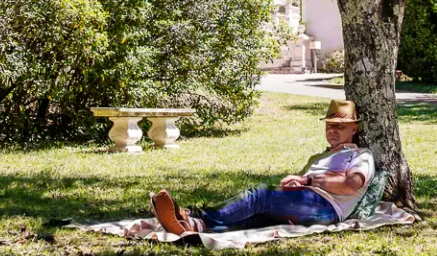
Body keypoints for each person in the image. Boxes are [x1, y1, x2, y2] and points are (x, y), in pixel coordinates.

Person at [150, 100, 374, 234]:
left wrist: (307, 181)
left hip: (326, 208)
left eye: (340, 126)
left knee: (259, 195)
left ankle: (194, 217)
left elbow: (350, 185)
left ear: (353, 129)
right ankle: (191, 228)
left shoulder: (361, 155)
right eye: (330, 125)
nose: (333, 130)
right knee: (252, 217)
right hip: (305, 202)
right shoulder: (320, 157)